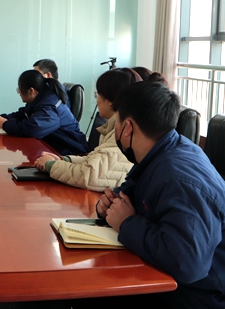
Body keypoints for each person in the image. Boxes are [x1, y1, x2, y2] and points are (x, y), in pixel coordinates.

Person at [93, 82, 225, 308]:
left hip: (198, 296)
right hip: (172, 282)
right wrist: (110, 204)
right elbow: (136, 190)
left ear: (127, 127)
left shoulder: (177, 178)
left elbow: (187, 264)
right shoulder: (165, 150)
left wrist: (127, 222)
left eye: (116, 122)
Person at [33, 68, 142, 191]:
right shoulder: (115, 127)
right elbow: (95, 160)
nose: (97, 100)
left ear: (111, 101)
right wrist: (64, 160)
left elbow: (89, 175)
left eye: (98, 94)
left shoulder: (125, 132)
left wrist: (51, 165)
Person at [0, 70, 88, 155]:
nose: (19, 93)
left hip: (70, 151)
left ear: (31, 91)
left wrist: (5, 124)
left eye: (19, 89)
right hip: (52, 146)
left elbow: (32, 130)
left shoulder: (50, 107)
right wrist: (4, 118)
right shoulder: (40, 98)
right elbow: (24, 114)